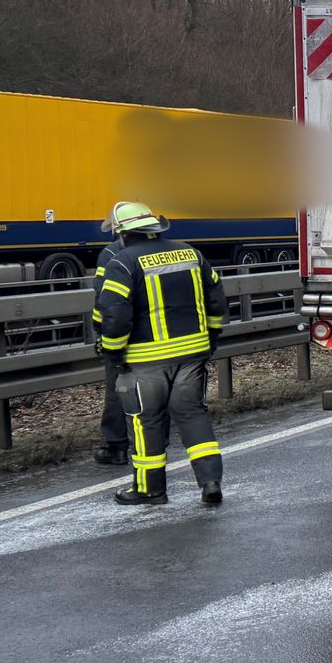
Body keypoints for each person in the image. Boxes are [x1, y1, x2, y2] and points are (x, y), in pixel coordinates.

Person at [91, 202, 227, 506]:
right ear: (155, 228)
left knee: (145, 421)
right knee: (192, 414)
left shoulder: (122, 262)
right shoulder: (190, 253)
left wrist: (112, 352)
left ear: (122, 234)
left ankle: (150, 489)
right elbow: (216, 298)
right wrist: (211, 339)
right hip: (192, 354)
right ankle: (210, 481)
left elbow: (113, 313)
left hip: (144, 360)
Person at [92, 233, 131, 466]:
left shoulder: (109, 254)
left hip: (121, 335)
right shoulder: (163, 251)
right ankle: (149, 443)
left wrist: (101, 336)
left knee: (119, 388)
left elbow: (103, 300)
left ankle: (116, 446)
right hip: (158, 338)